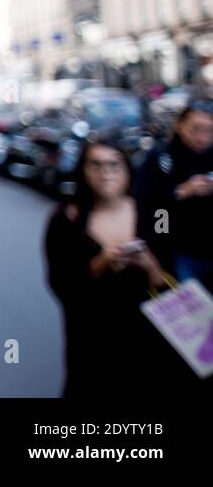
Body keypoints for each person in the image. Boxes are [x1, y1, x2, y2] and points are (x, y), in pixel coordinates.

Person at [44, 141, 185, 398]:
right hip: (91, 338)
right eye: (95, 165)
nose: (105, 173)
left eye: (114, 165)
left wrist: (150, 267)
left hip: (148, 339)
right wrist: (101, 263)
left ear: (127, 171)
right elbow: (61, 285)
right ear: (82, 171)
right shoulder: (64, 220)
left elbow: (173, 285)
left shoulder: (154, 216)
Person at [135, 100, 213, 292]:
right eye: (196, 129)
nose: (203, 138)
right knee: (192, 316)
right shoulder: (161, 159)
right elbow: (152, 208)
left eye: (210, 131)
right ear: (180, 125)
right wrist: (180, 192)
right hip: (179, 253)